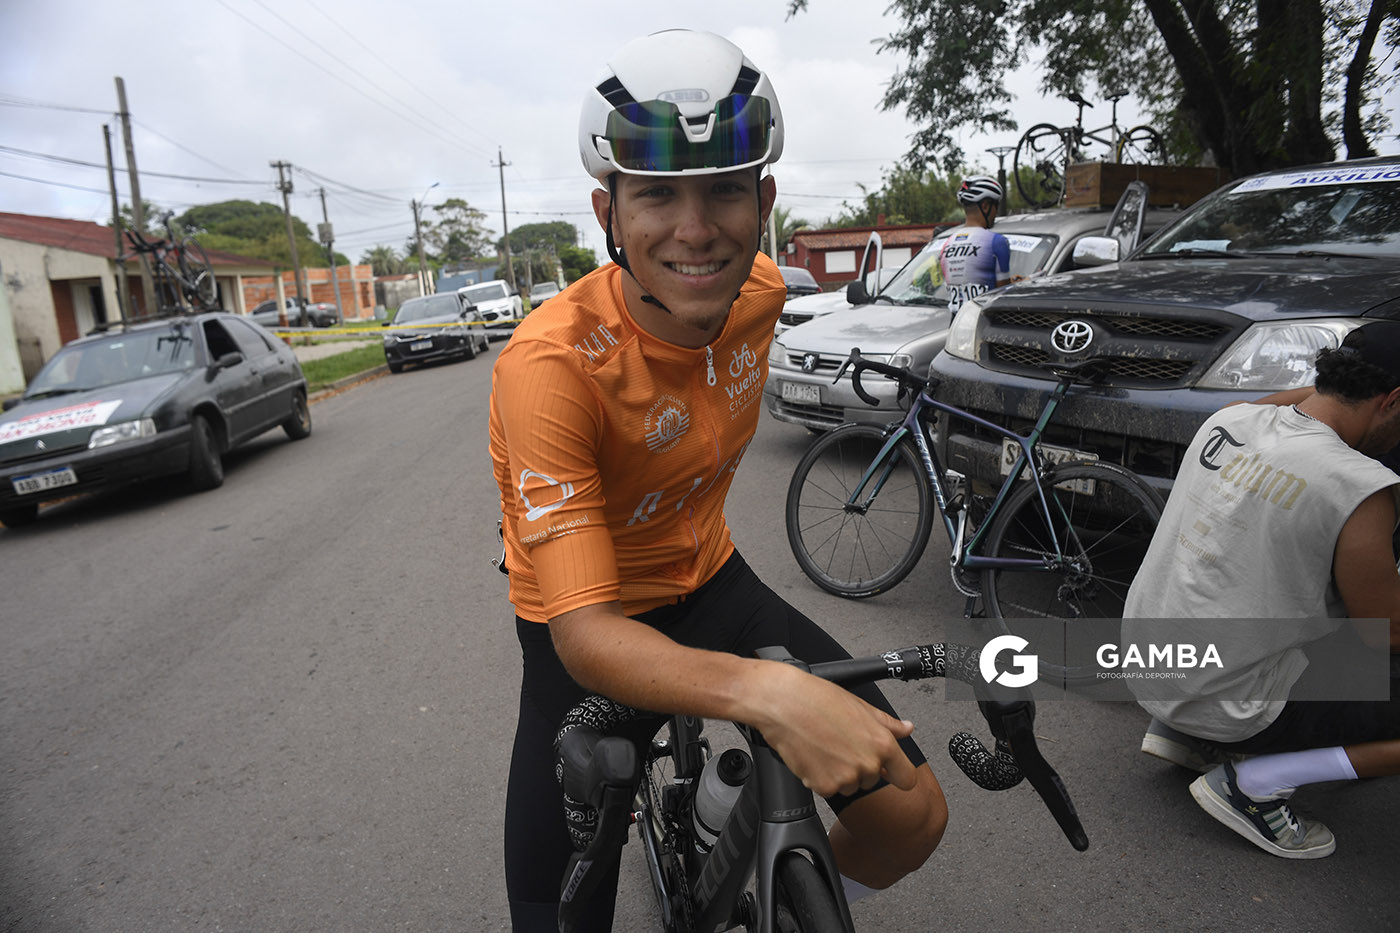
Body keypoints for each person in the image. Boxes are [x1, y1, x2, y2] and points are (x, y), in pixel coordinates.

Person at [489, 30, 947, 929]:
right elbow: (585, 634)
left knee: (912, 814)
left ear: (764, 200)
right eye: (657, 194)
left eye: (726, 190)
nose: (695, 230)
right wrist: (774, 694)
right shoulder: (547, 365)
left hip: (712, 582)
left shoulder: (765, 293)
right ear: (608, 214)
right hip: (594, 626)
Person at [1124, 320, 1400, 859]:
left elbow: (1299, 402)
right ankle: (1256, 785)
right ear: (1393, 401)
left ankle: (1186, 735)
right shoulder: (1358, 485)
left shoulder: (1229, 421)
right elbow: (1385, 635)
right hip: (1230, 705)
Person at [939, 175, 1011, 314]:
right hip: (983, 322)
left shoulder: (947, 244)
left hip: (956, 322)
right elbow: (1003, 294)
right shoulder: (997, 242)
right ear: (985, 206)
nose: (996, 213)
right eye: (996, 206)